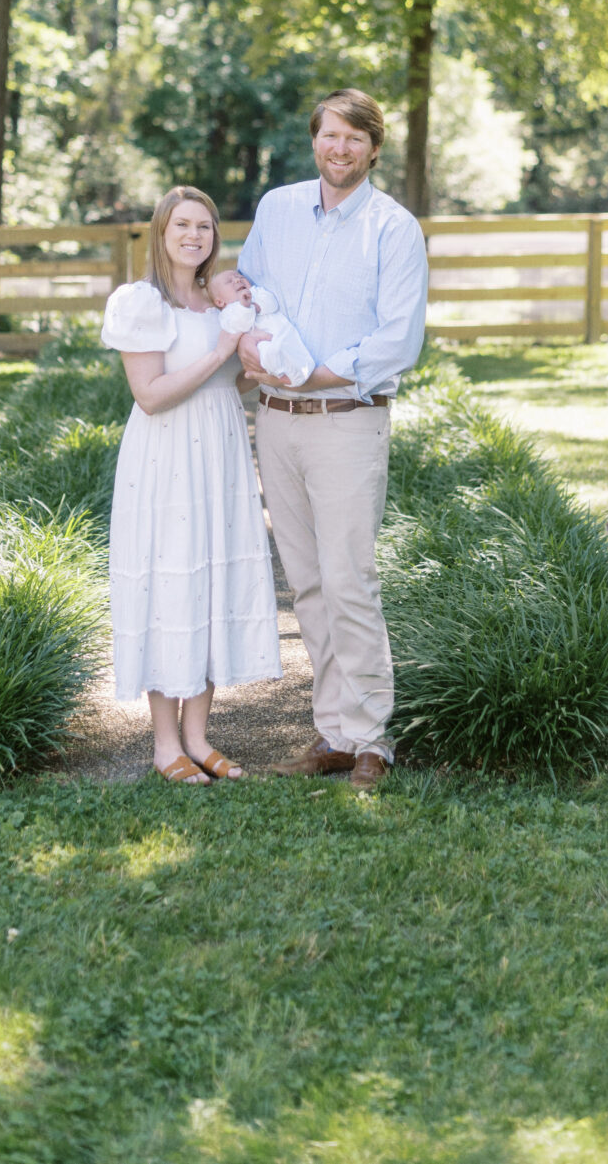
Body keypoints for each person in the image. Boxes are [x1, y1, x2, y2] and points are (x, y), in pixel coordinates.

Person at [237, 89, 428, 788]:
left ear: (373, 148)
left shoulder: (393, 228)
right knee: (308, 584)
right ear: (312, 140)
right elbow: (249, 293)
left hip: (348, 419)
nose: (339, 148)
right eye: (328, 135)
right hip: (278, 422)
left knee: (349, 580)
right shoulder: (277, 208)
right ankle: (332, 733)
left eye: (354, 138)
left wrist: (316, 374)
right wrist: (251, 346)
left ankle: (373, 736)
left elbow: (396, 340)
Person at [101, 186, 282, 785]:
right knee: (170, 582)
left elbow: (226, 387)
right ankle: (164, 744)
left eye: (204, 226)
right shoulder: (142, 302)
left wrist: (258, 366)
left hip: (221, 453)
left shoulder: (217, 300)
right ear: (161, 231)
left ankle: (200, 738)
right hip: (165, 459)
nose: (194, 236)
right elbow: (150, 396)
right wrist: (224, 349)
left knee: (210, 580)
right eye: (182, 224)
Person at [208, 268, 315, 387]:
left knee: (294, 350)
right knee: (266, 354)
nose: (237, 280)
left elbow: (272, 303)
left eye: (239, 277)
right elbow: (239, 326)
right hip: (261, 344)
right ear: (220, 302)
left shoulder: (257, 292)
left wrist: (255, 305)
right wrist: (245, 307)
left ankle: (300, 373)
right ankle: (282, 375)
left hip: (282, 332)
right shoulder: (227, 314)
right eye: (229, 281)